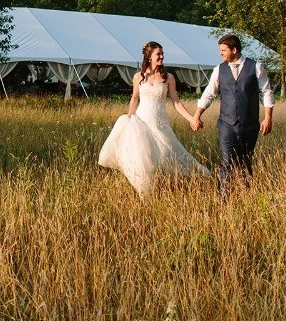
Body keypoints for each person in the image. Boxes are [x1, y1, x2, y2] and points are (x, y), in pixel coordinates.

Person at [99, 41, 211, 196]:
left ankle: (171, 186)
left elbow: (176, 102)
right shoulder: (138, 77)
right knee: (143, 157)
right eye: (158, 54)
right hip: (142, 121)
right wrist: (129, 116)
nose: (162, 56)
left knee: (167, 153)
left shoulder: (168, 77)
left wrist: (191, 119)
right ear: (149, 56)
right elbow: (135, 98)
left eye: (162, 53)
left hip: (160, 122)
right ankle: (145, 192)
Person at [191, 34, 275, 199]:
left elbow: (267, 92)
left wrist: (268, 118)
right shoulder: (218, 70)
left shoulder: (256, 67)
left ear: (234, 50)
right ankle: (224, 198)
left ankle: (245, 196)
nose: (220, 53)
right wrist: (196, 116)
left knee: (245, 162)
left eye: (223, 50)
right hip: (226, 124)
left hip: (250, 125)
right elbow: (208, 94)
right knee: (227, 160)